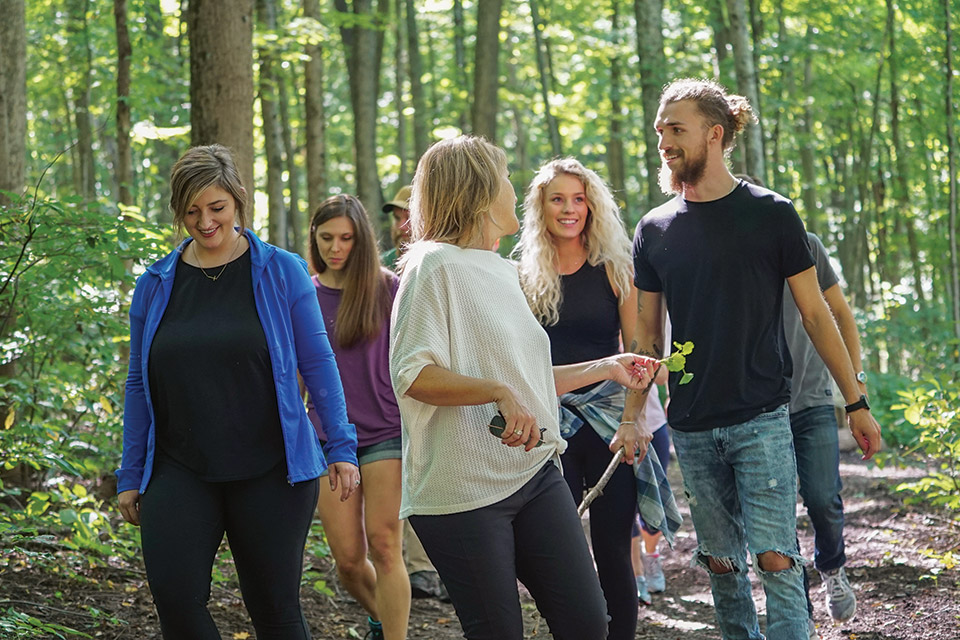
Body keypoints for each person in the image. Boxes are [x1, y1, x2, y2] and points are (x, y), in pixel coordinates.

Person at [626, 79, 882, 640]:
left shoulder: (772, 214)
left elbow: (817, 316)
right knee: (720, 563)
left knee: (775, 559)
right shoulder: (653, 229)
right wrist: (631, 416)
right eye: (659, 131)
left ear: (714, 135)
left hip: (763, 417)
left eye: (676, 129)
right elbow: (645, 338)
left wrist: (856, 402)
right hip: (690, 423)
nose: (663, 141)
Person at [389, 135, 659, 640]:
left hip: (535, 473)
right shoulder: (432, 266)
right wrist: (496, 391)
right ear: (478, 190)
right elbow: (412, 374)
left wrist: (608, 365)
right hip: (462, 492)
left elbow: (527, 381)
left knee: (587, 624)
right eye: (506, 177)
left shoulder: (506, 272)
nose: (514, 189)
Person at [116, 144, 360, 639]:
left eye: (216, 207)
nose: (205, 222)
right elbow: (139, 381)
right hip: (178, 467)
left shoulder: (281, 270)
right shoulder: (155, 284)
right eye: (191, 211)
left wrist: (341, 445)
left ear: (239, 201)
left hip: (271, 470)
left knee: (275, 612)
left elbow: (318, 364)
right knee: (177, 604)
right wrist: (131, 470)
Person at [514, 157, 679, 639]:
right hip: (549, 426)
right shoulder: (521, 275)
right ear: (540, 208)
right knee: (554, 557)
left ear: (592, 205)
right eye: (558, 199)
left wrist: (633, 420)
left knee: (612, 553)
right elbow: (520, 361)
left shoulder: (615, 267)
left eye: (579, 199)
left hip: (610, 425)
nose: (569, 209)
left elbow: (641, 354)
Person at [737, 175, 865, 632]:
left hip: (810, 400)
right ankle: (796, 600)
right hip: (756, 407)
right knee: (775, 512)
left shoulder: (806, 245)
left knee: (822, 498)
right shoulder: (728, 256)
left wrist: (856, 387)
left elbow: (839, 314)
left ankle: (832, 567)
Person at [306, 195, 408, 640]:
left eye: (346, 238)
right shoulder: (305, 294)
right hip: (328, 438)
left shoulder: (388, 287)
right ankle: (381, 622)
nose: (336, 247)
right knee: (348, 560)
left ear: (360, 240)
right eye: (326, 237)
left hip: (385, 430)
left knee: (385, 545)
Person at [380, 183, 447, 601]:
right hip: (384, 394)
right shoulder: (382, 268)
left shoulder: (440, 264)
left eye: (409, 214)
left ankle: (429, 568)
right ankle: (403, 568)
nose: (401, 224)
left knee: (429, 472)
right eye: (394, 216)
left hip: (433, 389)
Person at [381, 185, 411, 271]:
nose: (401, 226)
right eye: (397, 218)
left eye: (409, 218)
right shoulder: (384, 263)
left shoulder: (437, 261)